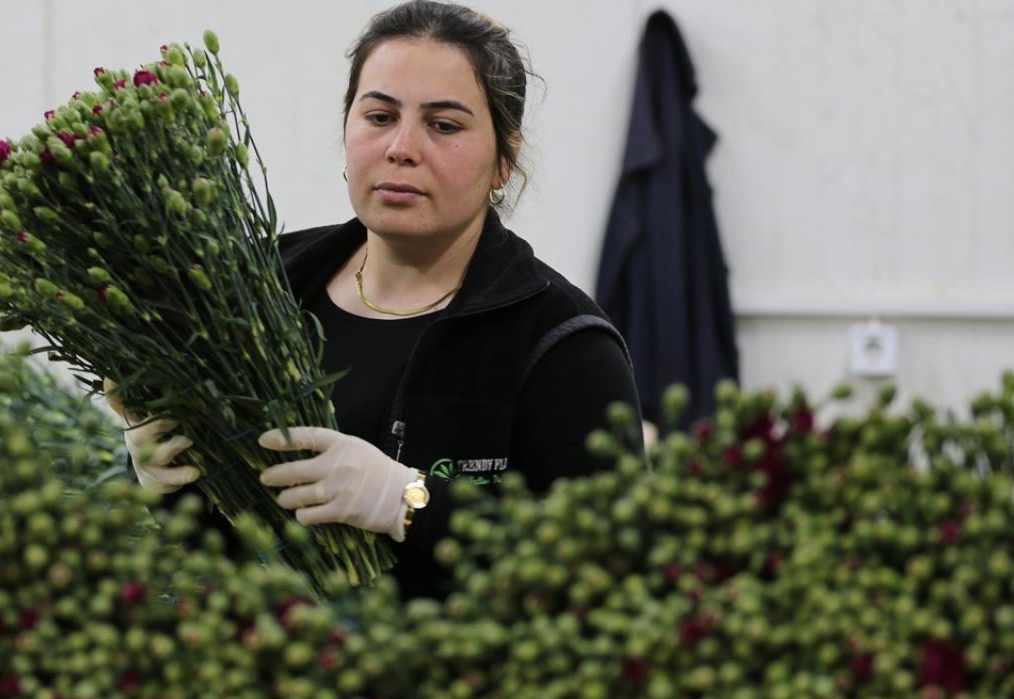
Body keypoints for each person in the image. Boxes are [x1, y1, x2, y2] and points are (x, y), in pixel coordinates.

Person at [114, 0, 642, 600]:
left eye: (444, 125)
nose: (401, 148)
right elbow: (218, 545)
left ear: (504, 161)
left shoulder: (561, 344)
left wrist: (410, 501)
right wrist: (160, 478)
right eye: (379, 116)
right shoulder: (256, 292)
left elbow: (610, 570)